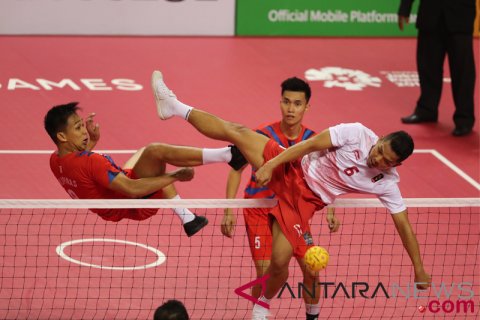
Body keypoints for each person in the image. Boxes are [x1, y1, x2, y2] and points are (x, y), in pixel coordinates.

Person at [151, 70, 431, 320]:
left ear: (395, 165)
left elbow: (403, 226)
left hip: (305, 203)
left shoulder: (387, 182)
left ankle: (268, 303)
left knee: (280, 263)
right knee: (236, 131)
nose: (378, 158)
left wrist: (418, 268)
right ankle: (174, 105)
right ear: (379, 140)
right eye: (380, 150)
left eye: (386, 160)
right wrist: (272, 163)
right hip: (291, 167)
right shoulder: (356, 133)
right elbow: (309, 145)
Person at [221, 77, 337, 313]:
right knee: (266, 274)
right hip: (259, 210)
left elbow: (327, 178)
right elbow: (236, 171)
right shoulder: (262, 135)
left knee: (312, 271)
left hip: (293, 211)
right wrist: (228, 210)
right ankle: (259, 314)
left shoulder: (314, 142)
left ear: (307, 107)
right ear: (280, 102)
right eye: (286, 102)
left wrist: (331, 210)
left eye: (297, 103)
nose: (291, 109)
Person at [44, 102, 240, 237]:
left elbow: (81, 169)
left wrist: (92, 142)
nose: (84, 131)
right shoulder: (92, 162)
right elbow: (133, 188)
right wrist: (175, 176)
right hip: (134, 202)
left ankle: (189, 218)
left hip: (112, 201)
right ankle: (227, 155)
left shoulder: (56, 161)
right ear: (62, 136)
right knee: (156, 151)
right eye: (78, 128)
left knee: (144, 151)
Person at [398, 0, 476, 136]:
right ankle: (426, 109)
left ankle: (464, 118)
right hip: (430, 13)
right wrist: (405, 8)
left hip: (461, 16)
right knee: (428, 67)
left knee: (463, 73)